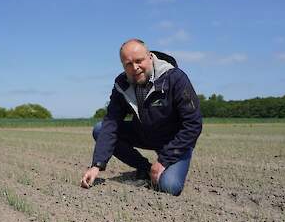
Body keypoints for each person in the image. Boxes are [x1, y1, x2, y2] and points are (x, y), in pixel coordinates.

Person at [80, 39, 202, 196]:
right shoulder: (122, 84)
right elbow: (112, 122)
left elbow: (193, 124)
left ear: (150, 57)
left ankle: (165, 164)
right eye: (128, 64)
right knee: (101, 128)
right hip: (145, 134)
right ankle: (144, 168)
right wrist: (97, 165)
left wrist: (164, 160)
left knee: (169, 186)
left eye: (139, 61)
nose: (135, 68)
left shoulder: (175, 78)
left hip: (174, 140)